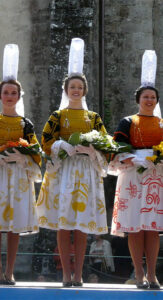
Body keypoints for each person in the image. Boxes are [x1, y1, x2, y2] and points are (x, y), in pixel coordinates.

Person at [37, 72, 108, 287]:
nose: (76, 90)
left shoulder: (93, 117)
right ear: (66, 91)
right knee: (64, 224)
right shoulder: (58, 115)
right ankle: (66, 275)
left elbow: (106, 142)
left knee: (81, 226)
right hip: (64, 171)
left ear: (84, 90)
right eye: (72, 87)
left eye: (79, 87)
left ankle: (79, 274)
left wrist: (91, 149)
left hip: (86, 172)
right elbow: (46, 141)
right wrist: (62, 146)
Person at [109, 84, 163, 289]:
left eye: (153, 97)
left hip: (155, 178)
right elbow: (117, 148)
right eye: (145, 97)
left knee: (152, 228)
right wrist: (133, 158)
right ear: (138, 99)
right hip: (132, 176)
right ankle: (138, 273)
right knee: (134, 228)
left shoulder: (161, 124)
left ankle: (152, 274)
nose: (149, 100)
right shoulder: (127, 122)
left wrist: (157, 160)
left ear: (156, 101)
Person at [0, 79, 41, 285]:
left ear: (18, 96)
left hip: (18, 177)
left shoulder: (26, 124)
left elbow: (36, 152)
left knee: (14, 226)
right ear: (1, 96)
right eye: (6, 92)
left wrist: (23, 157)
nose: (9, 96)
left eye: (13, 93)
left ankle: (10, 271)